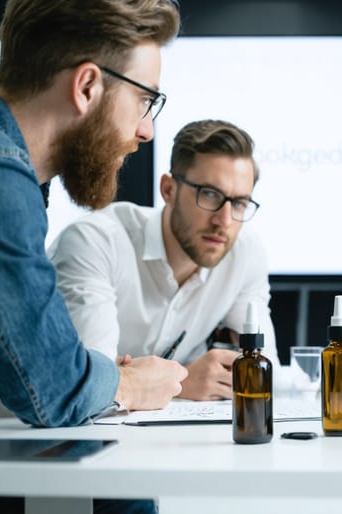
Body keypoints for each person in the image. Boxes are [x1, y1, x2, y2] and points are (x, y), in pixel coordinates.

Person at [0, 0, 186, 512]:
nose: (147, 129)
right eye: (145, 100)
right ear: (87, 86)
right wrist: (130, 382)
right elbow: (51, 389)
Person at [48, 119, 277, 401]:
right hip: (15, 430)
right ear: (168, 189)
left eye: (239, 203)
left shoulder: (244, 251)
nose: (224, 221)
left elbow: (266, 371)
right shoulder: (96, 241)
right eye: (209, 194)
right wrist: (183, 381)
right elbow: (90, 386)